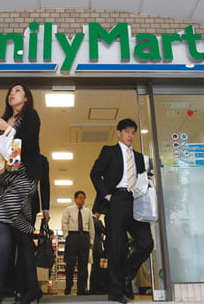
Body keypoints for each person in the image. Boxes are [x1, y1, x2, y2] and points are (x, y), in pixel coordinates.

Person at [0, 84, 43, 304]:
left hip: (24, 178)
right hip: (5, 181)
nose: (12, 93)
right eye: (11, 91)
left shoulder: (31, 117)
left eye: (17, 91)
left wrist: (9, 129)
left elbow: (29, 149)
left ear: (26, 98)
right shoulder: (3, 121)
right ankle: (33, 289)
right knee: (22, 234)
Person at [90, 118, 154, 303]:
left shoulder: (140, 157)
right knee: (117, 247)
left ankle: (126, 273)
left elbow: (145, 179)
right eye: (127, 132)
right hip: (116, 199)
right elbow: (94, 173)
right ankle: (116, 292)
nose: (131, 136)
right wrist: (107, 195)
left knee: (146, 242)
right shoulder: (109, 151)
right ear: (119, 133)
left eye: (133, 132)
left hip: (136, 200)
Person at [61, 191, 95, 296]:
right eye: (80, 198)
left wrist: (91, 240)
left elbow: (91, 227)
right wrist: (67, 235)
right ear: (75, 199)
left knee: (83, 264)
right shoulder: (68, 210)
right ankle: (68, 285)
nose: (82, 200)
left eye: (84, 198)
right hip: (72, 236)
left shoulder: (88, 212)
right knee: (70, 263)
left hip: (84, 237)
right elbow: (64, 223)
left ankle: (81, 288)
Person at [89, 212, 107, 294]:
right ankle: (98, 287)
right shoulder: (98, 222)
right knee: (98, 268)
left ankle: (92, 287)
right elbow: (105, 231)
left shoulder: (88, 221)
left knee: (93, 267)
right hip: (97, 247)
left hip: (90, 247)